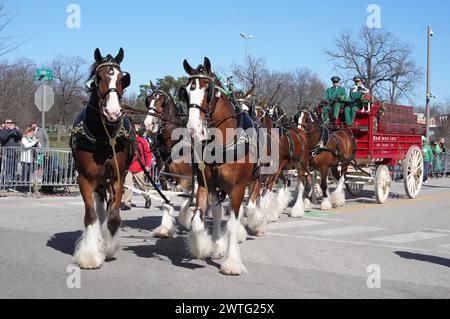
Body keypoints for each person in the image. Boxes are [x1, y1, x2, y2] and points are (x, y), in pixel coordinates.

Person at [121, 124, 153, 211]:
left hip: (139, 167)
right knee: (128, 186)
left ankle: (148, 197)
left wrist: (147, 165)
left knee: (142, 186)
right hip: (129, 168)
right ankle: (127, 203)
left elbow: (148, 154)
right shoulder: (126, 141)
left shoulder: (142, 141)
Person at [0, 120, 22, 191]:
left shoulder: (14, 130)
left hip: (15, 154)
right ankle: (6, 185)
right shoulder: (3, 131)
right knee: (7, 170)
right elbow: (3, 138)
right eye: (8, 123)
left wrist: (17, 130)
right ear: (5, 124)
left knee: (13, 171)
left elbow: (20, 137)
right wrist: (9, 129)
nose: (10, 124)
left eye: (11, 123)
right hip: (7, 154)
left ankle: (12, 186)